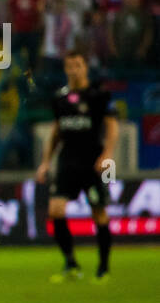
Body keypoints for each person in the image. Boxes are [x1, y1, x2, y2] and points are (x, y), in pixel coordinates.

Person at [35, 50, 118, 282]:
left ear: (85, 68)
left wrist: (107, 155)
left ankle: (103, 268)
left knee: (99, 212)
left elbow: (112, 126)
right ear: (65, 69)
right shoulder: (60, 97)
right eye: (70, 66)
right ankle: (71, 264)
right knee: (55, 210)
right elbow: (57, 131)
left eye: (78, 66)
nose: (74, 70)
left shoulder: (98, 95)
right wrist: (45, 162)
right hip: (67, 160)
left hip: (93, 161)